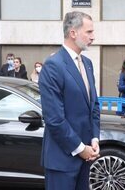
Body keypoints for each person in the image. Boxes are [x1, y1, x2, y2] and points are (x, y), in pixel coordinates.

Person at [38, 11, 100, 190]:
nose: (93, 37)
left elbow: (93, 105)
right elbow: (54, 119)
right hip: (62, 160)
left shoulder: (87, 63)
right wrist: (81, 149)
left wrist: (94, 138)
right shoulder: (53, 65)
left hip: (86, 158)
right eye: (89, 32)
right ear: (73, 33)